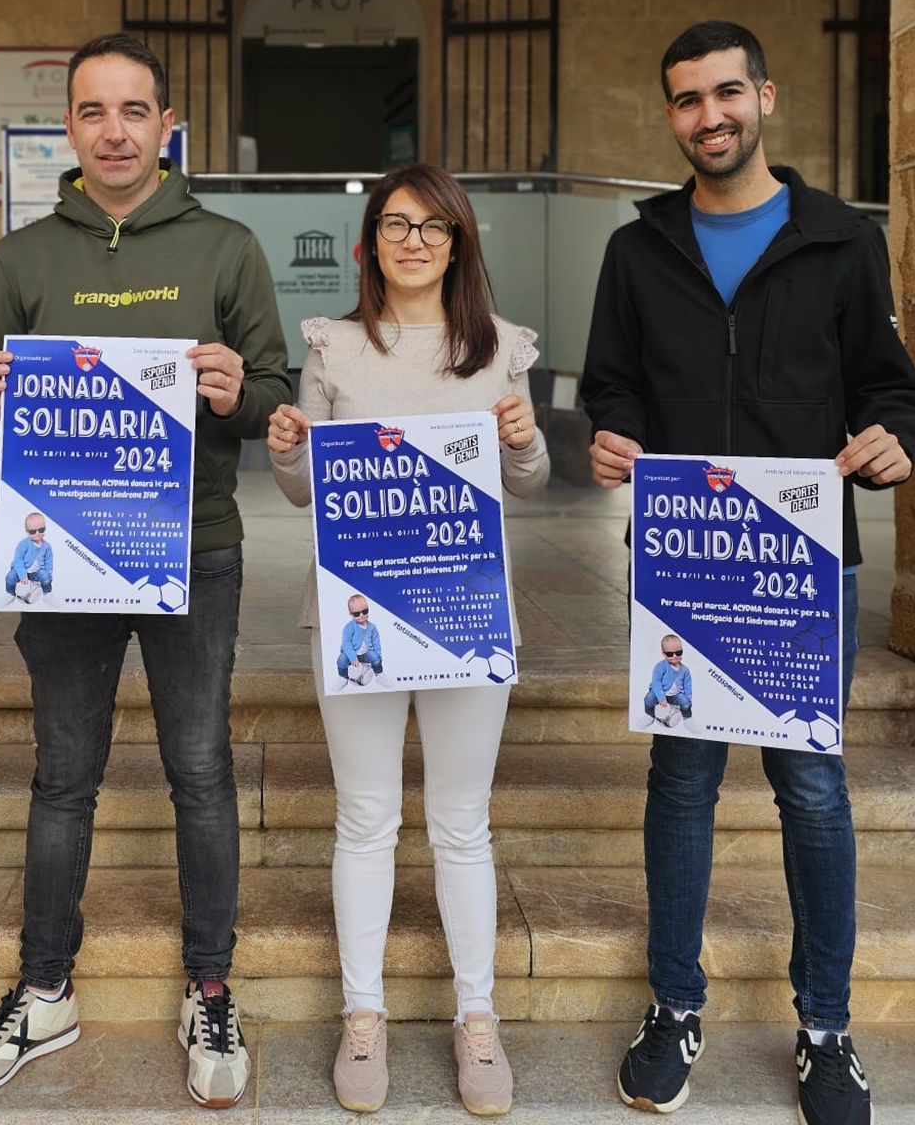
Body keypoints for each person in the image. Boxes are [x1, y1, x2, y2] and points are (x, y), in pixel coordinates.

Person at [580, 21, 915, 1125]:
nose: (707, 117)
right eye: (685, 101)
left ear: (764, 97)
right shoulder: (637, 249)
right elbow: (611, 382)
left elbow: (889, 387)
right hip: (685, 561)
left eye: (725, 93)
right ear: (670, 115)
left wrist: (890, 441)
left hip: (802, 564)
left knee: (808, 789)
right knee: (679, 784)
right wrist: (613, 434)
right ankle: (673, 1006)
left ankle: (825, 1026)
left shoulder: (837, 241)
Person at [0, 33, 290, 1109]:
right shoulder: (23, 258)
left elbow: (276, 394)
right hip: (64, 555)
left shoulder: (226, 246)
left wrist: (238, 388)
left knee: (199, 773)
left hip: (193, 545)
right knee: (62, 778)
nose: (114, 130)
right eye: (92, 112)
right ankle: (44, 988)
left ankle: (210, 988)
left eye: (133, 111)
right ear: (71, 130)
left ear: (165, 125)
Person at [267, 162, 549, 1117]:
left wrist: (523, 441)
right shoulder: (334, 347)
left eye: (434, 226)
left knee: (462, 822)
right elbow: (305, 493)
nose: (415, 240)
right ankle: (364, 1016)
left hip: (466, 613)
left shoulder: (503, 348)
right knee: (366, 817)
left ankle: (478, 1020)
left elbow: (531, 482)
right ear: (370, 242)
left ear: (459, 240)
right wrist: (287, 451)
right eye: (396, 224)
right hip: (358, 620)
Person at [644, 635, 693, 730]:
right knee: (648, 699)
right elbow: (656, 682)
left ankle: (687, 719)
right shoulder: (660, 667)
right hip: (660, 692)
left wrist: (688, 698)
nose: (675, 656)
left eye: (678, 653)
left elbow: (688, 685)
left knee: (686, 703)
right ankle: (649, 716)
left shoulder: (685, 670)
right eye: (670, 654)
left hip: (675, 694)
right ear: (663, 654)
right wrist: (661, 698)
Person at [5, 513, 54, 603]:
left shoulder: (47, 546)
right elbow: (18, 560)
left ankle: (47, 594)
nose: (37, 533)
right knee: (10, 578)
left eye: (41, 530)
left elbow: (49, 561)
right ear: (27, 531)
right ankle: (10, 594)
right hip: (21, 569)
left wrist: (49, 574)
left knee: (46, 577)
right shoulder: (23, 544)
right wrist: (22, 575)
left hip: (37, 571)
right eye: (32, 532)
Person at [336, 595, 383, 687]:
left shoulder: (372, 627)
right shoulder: (349, 627)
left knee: (375, 658)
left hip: (365, 653)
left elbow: (376, 642)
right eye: (357, 614)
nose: (361, 615)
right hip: (351, 653)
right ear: (351, 615)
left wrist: (378, 655)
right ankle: (343, 677)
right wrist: (353, 658)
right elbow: (347, 643)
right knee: (341, 661)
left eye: (365, 611)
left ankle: (379, 674)